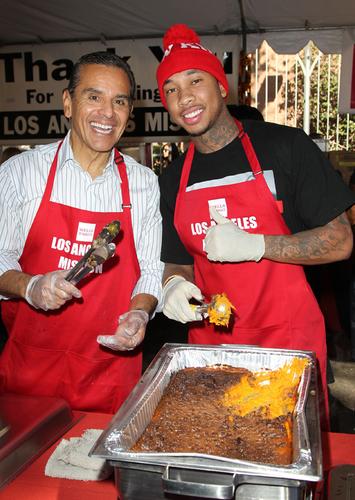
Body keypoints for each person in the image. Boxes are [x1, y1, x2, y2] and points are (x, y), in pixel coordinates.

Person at [156, 24, 355, 428]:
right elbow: (178, 262)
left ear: (221, 86)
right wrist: (173, 285)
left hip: (286, 344)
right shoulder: (173, 177)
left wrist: (259, 244)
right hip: (212, 349)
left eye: (195, 80)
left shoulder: (285, 147)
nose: (184, 98)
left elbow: (340, 241)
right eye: (171, 89)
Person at [0, 51, 163, 413]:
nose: (107, 113)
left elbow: (152, 271)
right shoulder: (21, 173)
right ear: (68, 103)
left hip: (110, 374)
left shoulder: (143, 183)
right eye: (94, 97)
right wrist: (30, 285)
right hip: (30, 375)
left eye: (119, 101)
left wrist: (140, 312)